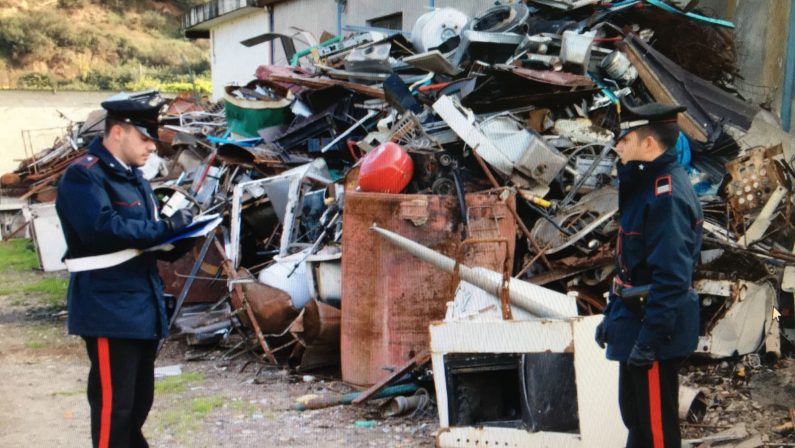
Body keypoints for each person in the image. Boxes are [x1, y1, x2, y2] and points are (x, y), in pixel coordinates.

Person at [55, 92, 193, 448]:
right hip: (107, 306)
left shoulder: (134, 179)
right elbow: (102, 230)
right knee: (113, 411)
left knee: (137, 406)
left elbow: (141, 240)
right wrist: (165, 229)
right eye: (145, 138)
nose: (152, 147)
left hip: (141, 304)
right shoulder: (83, 176)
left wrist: (182, 237)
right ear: (118, 132)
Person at [595, 101, 703, 448]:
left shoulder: (666, 195)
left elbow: (671, 279)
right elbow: (631, 263)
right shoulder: (644, 184)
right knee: (637, 422)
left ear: (649, 144)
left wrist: (649, 340)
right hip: (634, 322)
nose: (618, 145)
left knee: (657, 433)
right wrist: (611, 318)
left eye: (625, 138)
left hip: (653, 333)